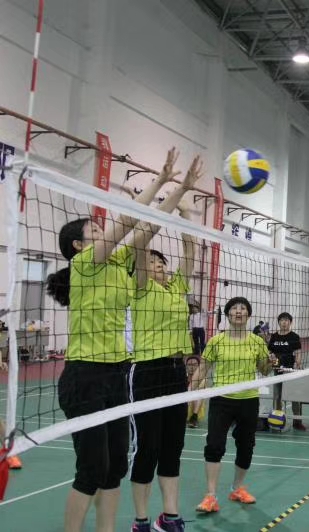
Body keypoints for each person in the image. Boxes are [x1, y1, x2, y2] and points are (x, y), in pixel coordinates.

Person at [45, 149, 200, 532]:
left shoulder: (120, 265)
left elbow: (151, 225)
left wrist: (182, 188)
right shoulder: (85, 265)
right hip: (85, 376)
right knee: (91, 468)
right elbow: (129, 219)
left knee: (116, 465)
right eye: (95, 231)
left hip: (116, 375)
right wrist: (160, 180)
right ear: (78, 245)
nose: (103, 231)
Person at [129, 199, 198, 532]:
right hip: (148, 371)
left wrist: (185, 214)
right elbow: (139, 245)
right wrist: (158, 210)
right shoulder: (140, 288)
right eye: (151, 262)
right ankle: (141, 520)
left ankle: (169, 516)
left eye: (161, 262)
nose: (157, 265)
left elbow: (190, 249)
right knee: (148, 447)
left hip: (175, 372)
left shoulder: (177, 289)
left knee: (173, 446)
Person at [191, 297, 272, 514]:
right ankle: (210, 496)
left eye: (243, 308)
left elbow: (264, 370)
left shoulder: (257, 341)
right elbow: (203, 368)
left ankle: (237, 488)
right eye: (234, 308)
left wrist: (270, 361)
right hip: (221, 399)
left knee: (246, 447)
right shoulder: (216, 341)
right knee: (214, 445)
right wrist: (188, 392)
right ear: (227, 314)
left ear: (248, 314)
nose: (238, 311)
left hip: (248, 399)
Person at [268, 312, 305, 431]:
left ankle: (297, 421)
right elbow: (270, 352)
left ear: (290, 322)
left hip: (290, 370)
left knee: (294, 396)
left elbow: (298, 352)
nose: (284, 322)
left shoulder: (294, 336)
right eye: (282, 320)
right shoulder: (274, 336)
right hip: (277, 370)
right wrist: (272, 360)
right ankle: (277, 420)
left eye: (286, 320)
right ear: (279, 322)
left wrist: (297, 364)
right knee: (277, 396)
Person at [185, 356, 205, 428]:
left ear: (198, 366)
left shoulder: (202, 380)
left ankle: (194, 417)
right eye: (189, 365)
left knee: (198, 393)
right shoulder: (182, 377)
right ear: (186, 366)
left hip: (193, 406)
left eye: (194, 365)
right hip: (183, 406)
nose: (192, 367)